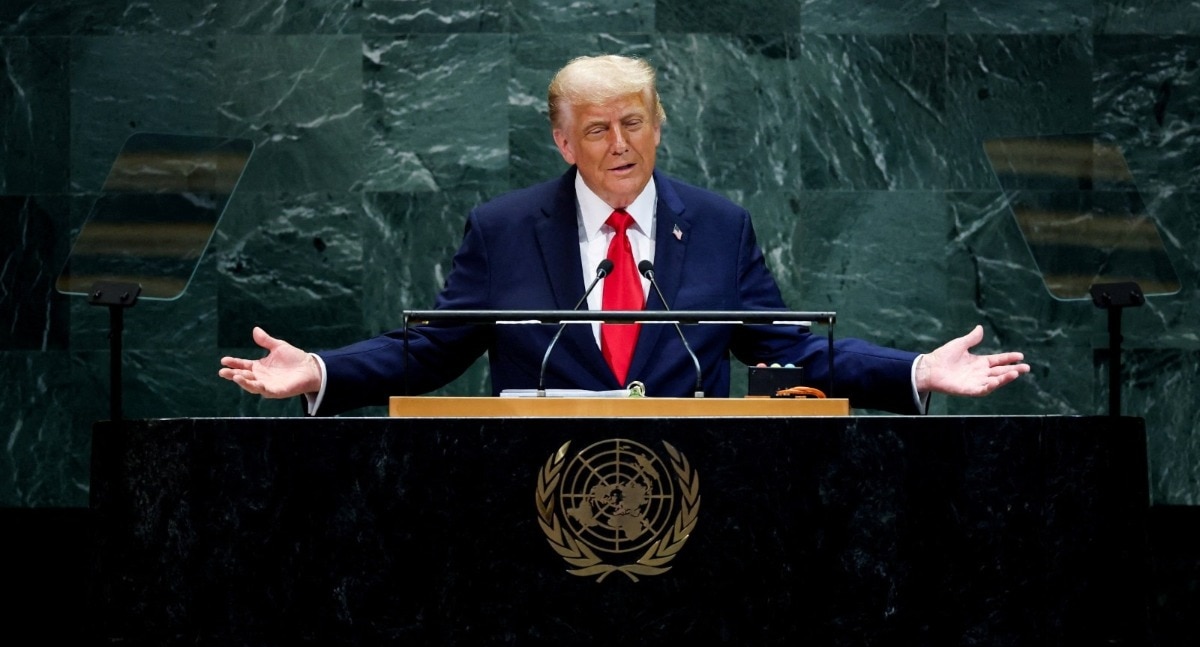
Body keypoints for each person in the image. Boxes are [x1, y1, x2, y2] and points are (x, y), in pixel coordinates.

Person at [219, 55, 1029, 416]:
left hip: (696, 494)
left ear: (658, 128)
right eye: (598, 129)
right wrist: (320, 370)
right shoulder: (503, 231)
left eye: (634, 123)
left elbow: (793, 350)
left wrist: (918, 369)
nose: (620, 145)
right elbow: (427, 351)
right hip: (533, 496)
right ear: (563, 142)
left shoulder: (717, 225)